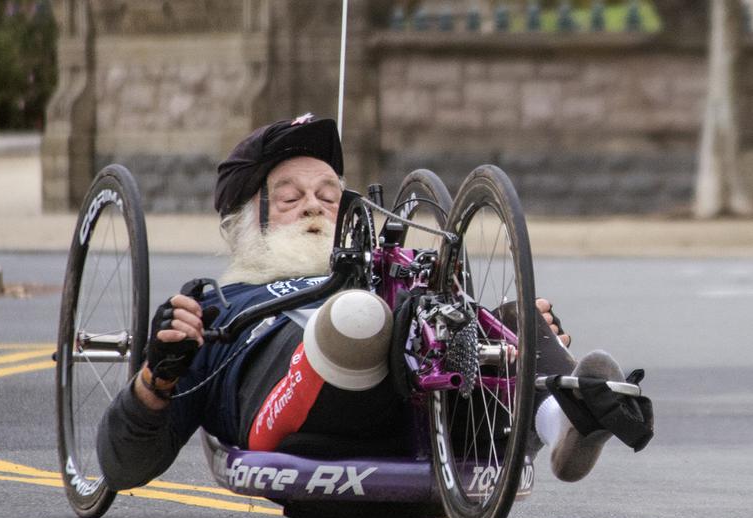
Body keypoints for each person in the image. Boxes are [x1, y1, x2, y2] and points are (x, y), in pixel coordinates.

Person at [96, 113, 652, 494]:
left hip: (415, 410)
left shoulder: (387, 280)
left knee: (511, 318)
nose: (315, 206)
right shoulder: (215, 307)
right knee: (356, 320)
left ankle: (565, 417)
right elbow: (123, 466)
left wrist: (510, 345)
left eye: (330, 196)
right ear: (246, 221)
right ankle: (345, 346)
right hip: (295, 420)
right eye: (290, 198)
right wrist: (155, 380)